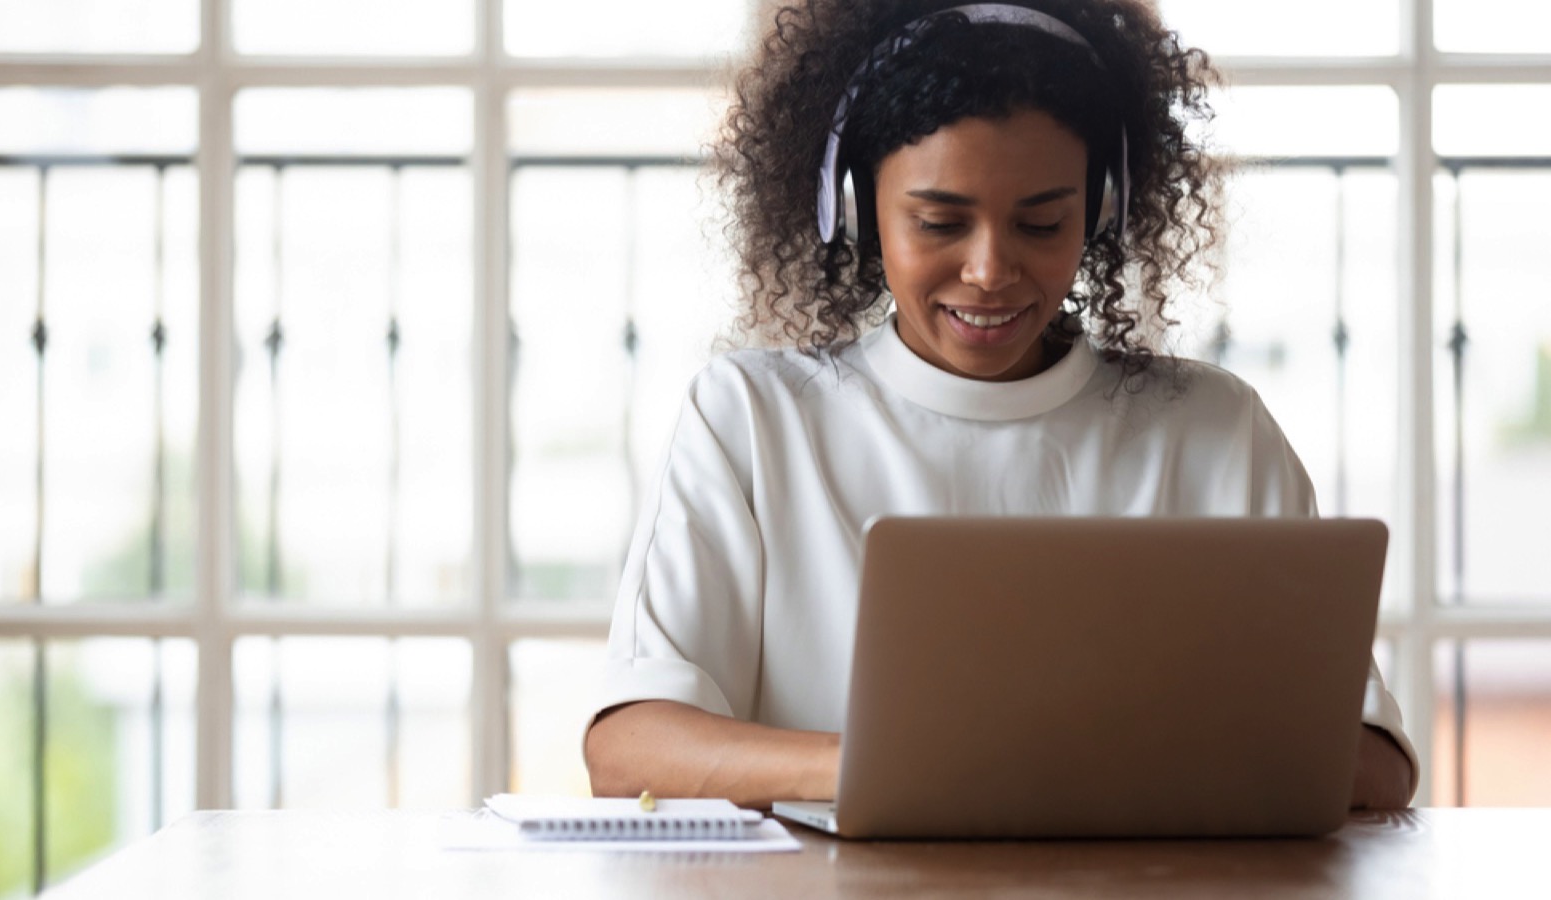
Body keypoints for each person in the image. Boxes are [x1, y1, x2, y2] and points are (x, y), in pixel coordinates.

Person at [583, 0, 1418, 811]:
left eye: (1042, 223)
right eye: (940, 223)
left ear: (1102, 212)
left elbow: (1375, 764)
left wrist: (1072, 774)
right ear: (854, 208)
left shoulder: (1214, 431)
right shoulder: (753, 419)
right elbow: (630, 748)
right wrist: (895, 769)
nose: (990, 270)